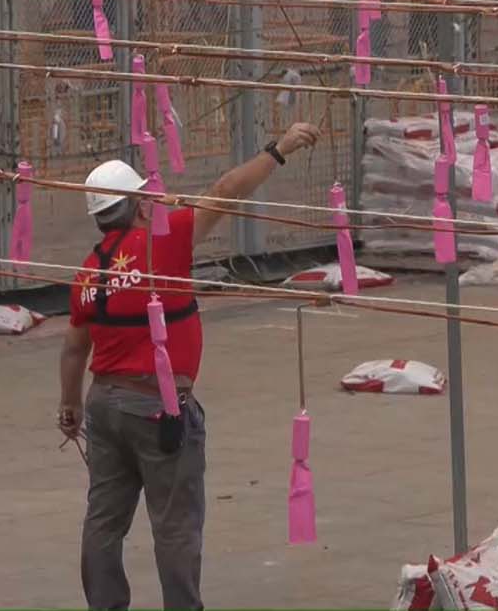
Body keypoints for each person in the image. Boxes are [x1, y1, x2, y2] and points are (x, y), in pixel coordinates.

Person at [59, 122, 322, 611]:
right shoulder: (165, 242)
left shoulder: (86, 274)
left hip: (105, 407)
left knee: (103, 521)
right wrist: (278, 150)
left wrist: (70, 405)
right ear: (139, 206)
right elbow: (225, 192)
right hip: (157, 409)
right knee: (175, 525)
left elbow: (75, 347)